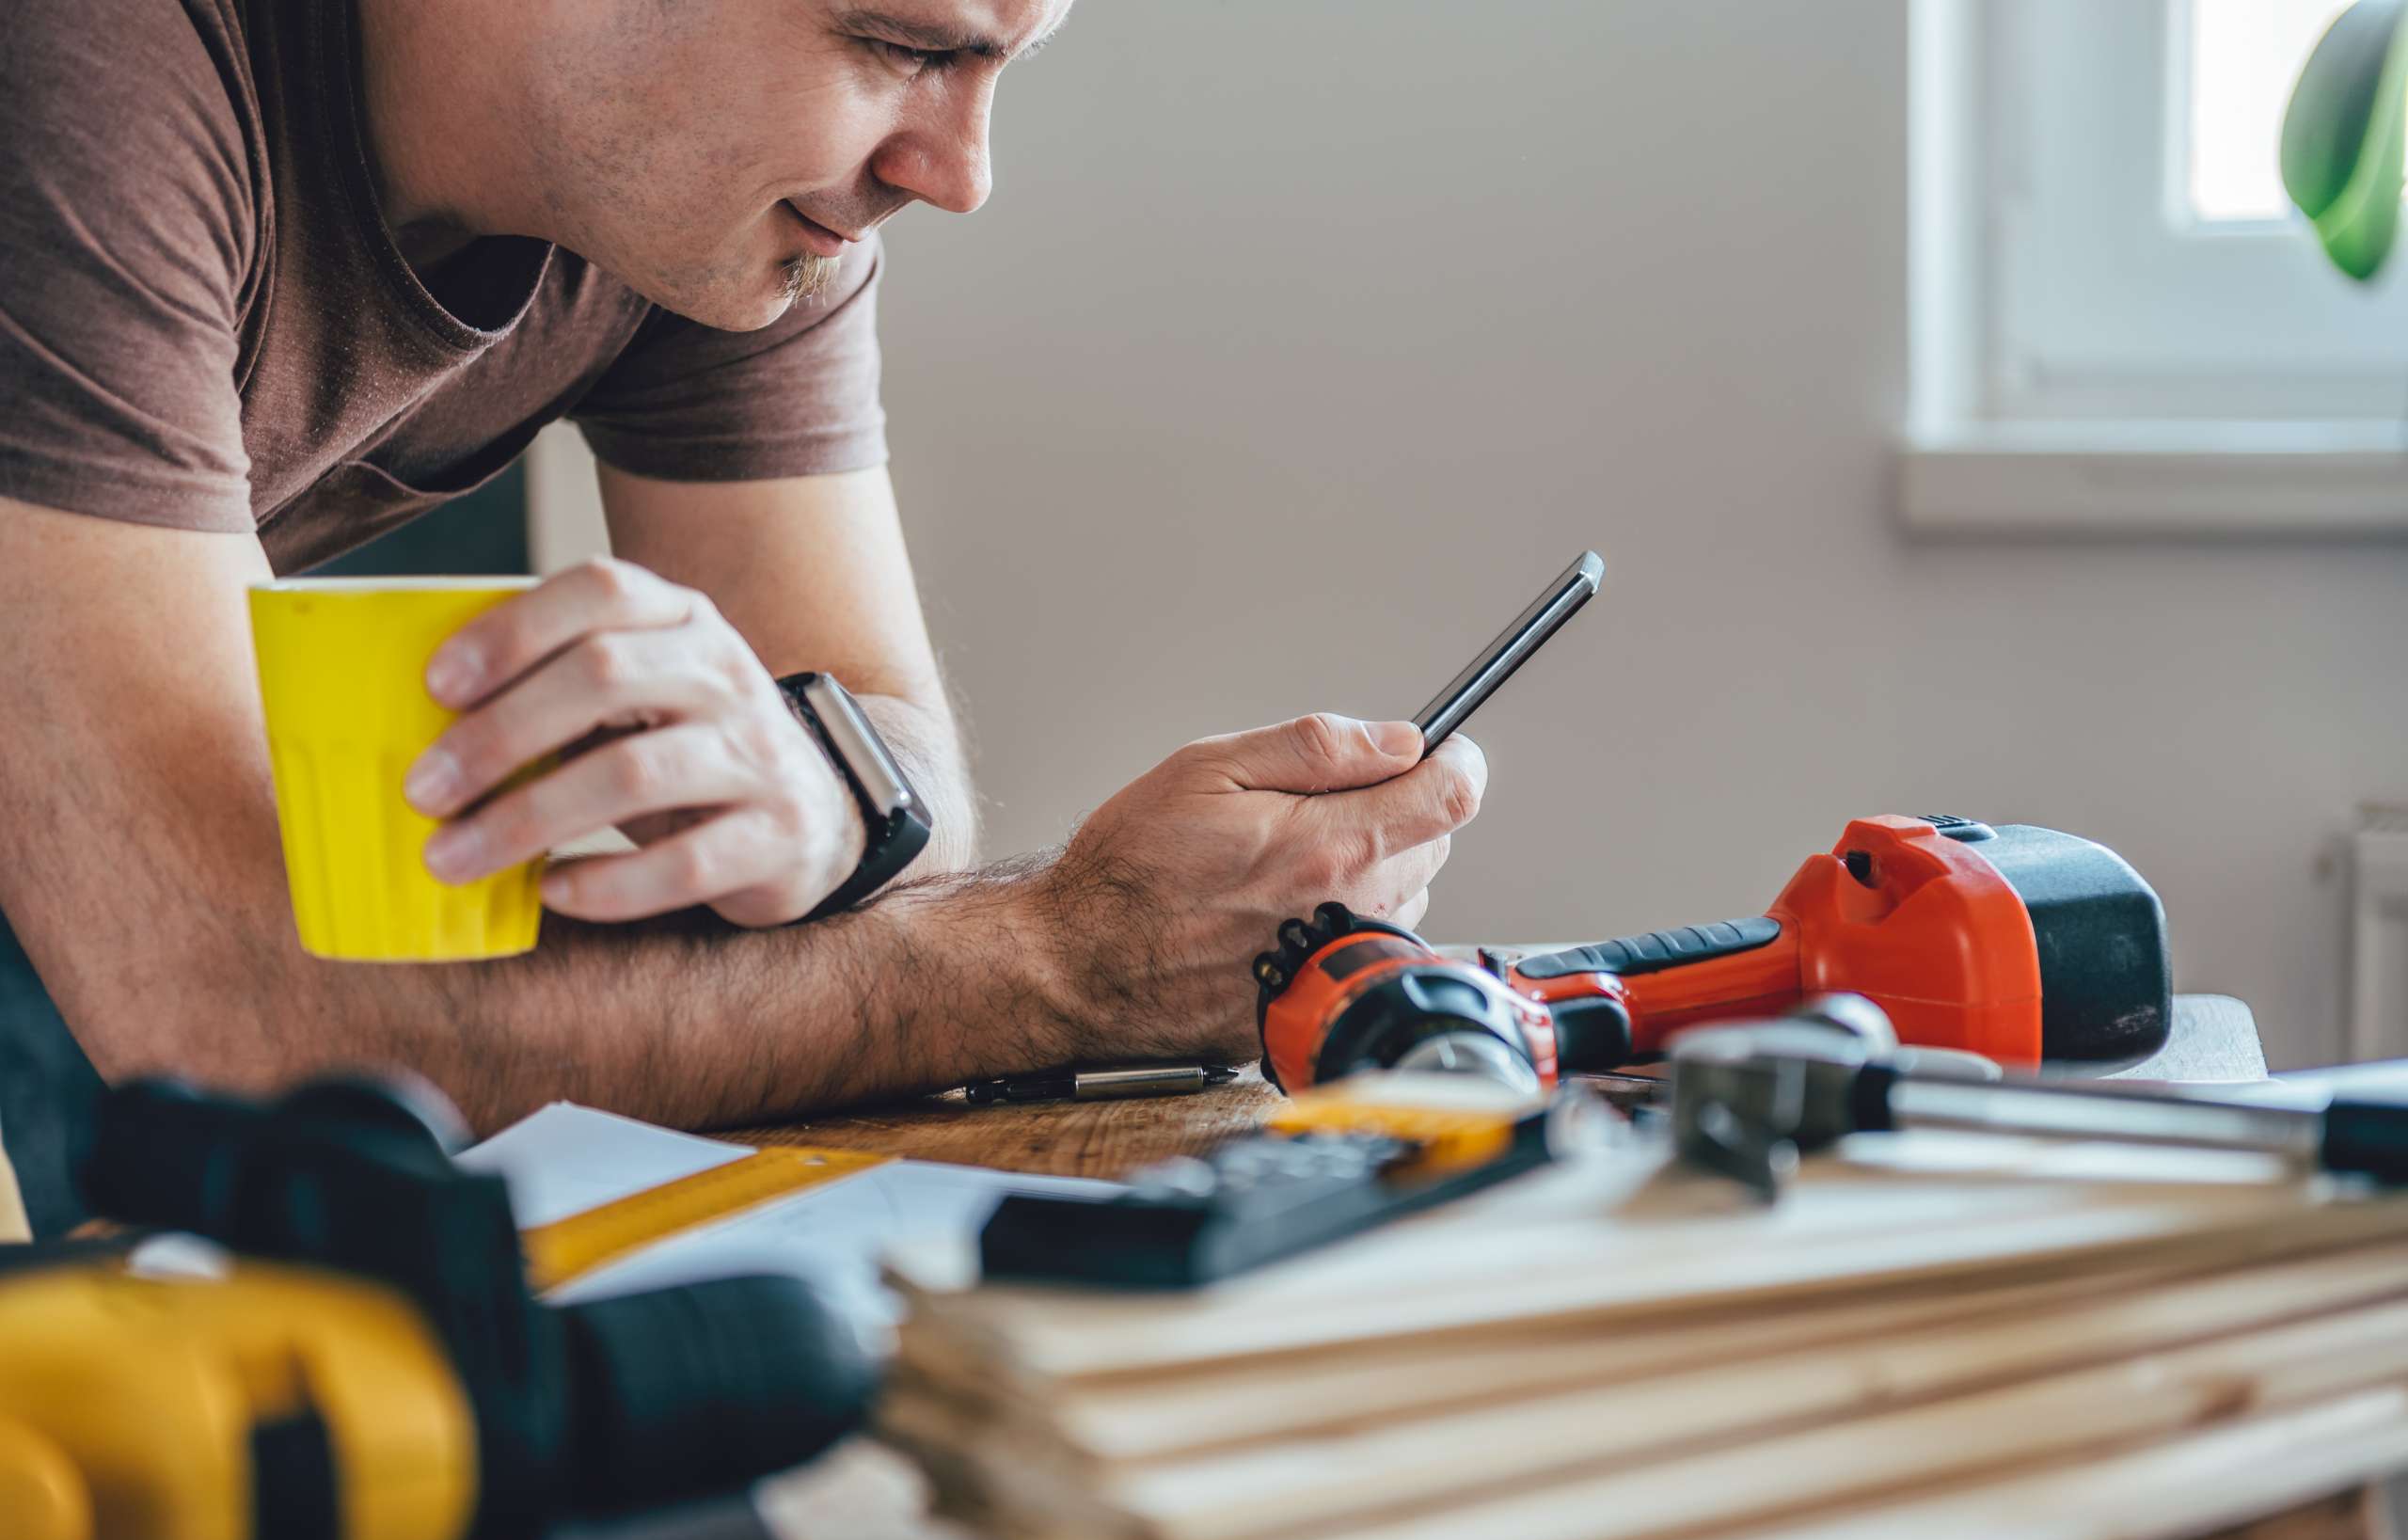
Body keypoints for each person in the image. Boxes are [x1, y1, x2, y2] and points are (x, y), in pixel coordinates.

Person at [0, 0, 1484, 1233]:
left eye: (1003, 66)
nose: (959, 173)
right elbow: (237, 1014)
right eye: (906, 46)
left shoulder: (708, 213)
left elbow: (892, 754)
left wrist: (820, 784)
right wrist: (1066, 960)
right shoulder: (74, 73)